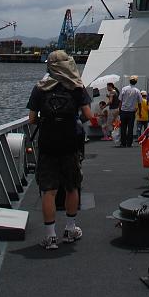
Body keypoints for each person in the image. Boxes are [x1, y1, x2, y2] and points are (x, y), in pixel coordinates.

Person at [27, 50, 91, 250]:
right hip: (70, 143)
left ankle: (50, 236)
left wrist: (47, 123)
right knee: (72, 186)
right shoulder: (77, 86)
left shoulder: (40, 88)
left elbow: (31, 119)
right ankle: (70, 229)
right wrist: (71, 122)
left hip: (48, 143)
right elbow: (88, 115)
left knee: (49, 190)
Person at [118, 75, 143, 148]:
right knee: (130, 128)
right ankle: (129, 143)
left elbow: (120, 101)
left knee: (123, 128)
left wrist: (119, 110)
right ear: (136, 82)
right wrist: (140, 112)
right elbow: (139, 103)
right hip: (131, 112)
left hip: (123, 111)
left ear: (129, 81)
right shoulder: (137, 91)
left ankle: (123, 143)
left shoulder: (124, 89)